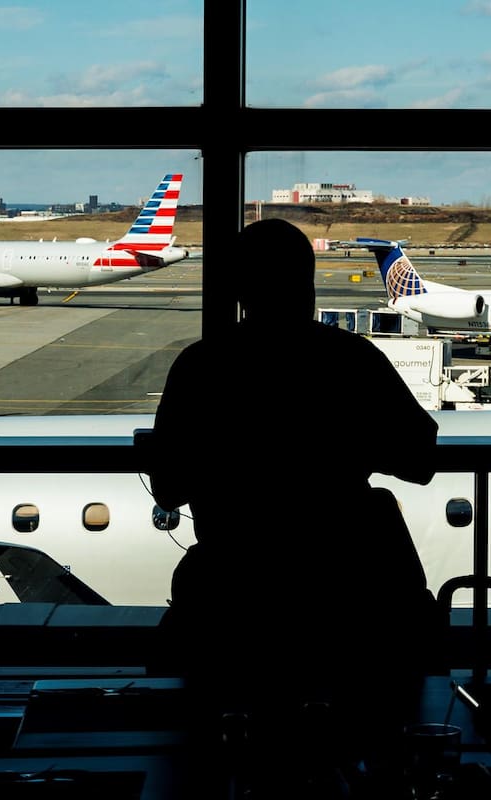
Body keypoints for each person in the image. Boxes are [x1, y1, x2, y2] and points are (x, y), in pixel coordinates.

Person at [147, 218, 442, 794]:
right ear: (308, 287)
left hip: (235, 595)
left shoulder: (202, 365)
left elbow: (168, 487)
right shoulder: (351, 359)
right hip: (347, 598)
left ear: (238, 290)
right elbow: (421, 459)